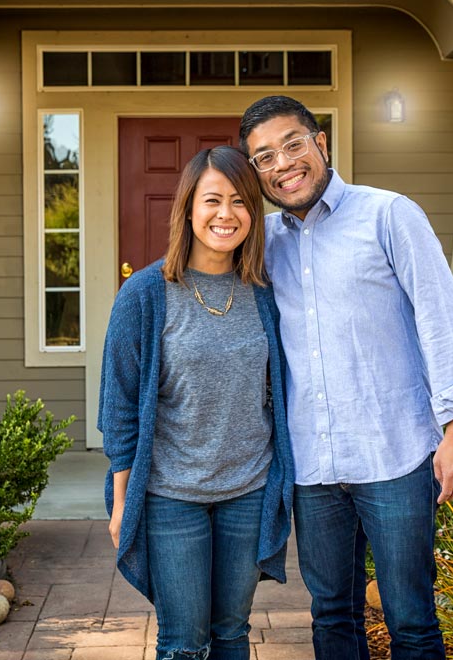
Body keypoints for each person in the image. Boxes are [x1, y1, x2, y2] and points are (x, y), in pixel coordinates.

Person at [239, 96, 453, 660]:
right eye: (265, 157)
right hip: (313, 467)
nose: (283, 164)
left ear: (320, 143)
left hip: (393, 454)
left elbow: (440, 319)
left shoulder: (388, 214)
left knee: (412, 620)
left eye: (293, 144)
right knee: (331, 617)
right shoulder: (263, 242)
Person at [97, 145, 293, 660]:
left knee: (231, 632)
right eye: (212, 200)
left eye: (239, 202)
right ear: (188, 209)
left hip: (248, 490)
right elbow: (118, 407)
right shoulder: (145, 293)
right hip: (169, 496)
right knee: (184, 641)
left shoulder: (266, 292)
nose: (225, 215)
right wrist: (121, 504)